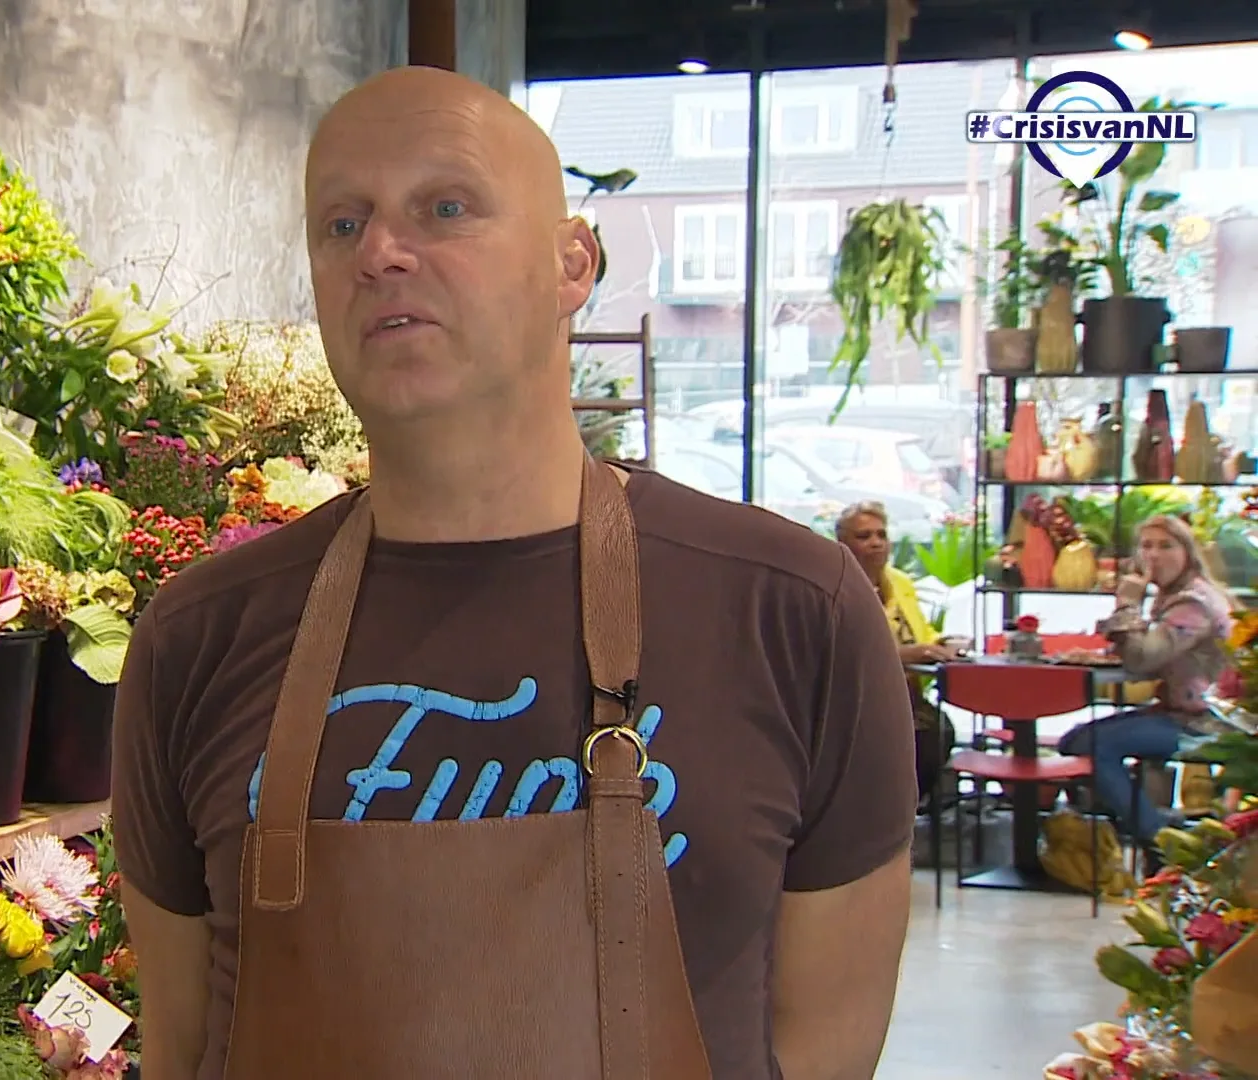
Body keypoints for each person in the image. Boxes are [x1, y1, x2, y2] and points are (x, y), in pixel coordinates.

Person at [112, 65, 916, 1080]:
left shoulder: (793, 615)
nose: (383, 254)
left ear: (573, 263)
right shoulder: (198, 639)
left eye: (444, 207)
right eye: (342, 225)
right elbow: (183, 1047)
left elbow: (823, 1051)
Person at [1058, 515, 1237, 845]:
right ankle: (1151, 830)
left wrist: (1127, 603)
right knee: (1072, 742)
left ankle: (1159, 842)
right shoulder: (1176, 594)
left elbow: (1143, 658)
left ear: (1187, 552)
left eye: (1166, 546)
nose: (1153, 555)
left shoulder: (1193, 602)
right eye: (1146, 546)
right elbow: (1149, 659)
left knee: (1093, 744)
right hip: (1178, 713)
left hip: (1207, 724)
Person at [835, 500, 963, 804]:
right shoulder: (834, 588)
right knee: (924, 740)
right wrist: (912, 654)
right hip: (855, 704)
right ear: (842, 543)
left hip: (907, 699)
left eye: (881, 534)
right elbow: (846, 654)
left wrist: (944, 643)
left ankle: (901, 815)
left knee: (939, 731)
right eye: (864, 537)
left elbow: (920, 633)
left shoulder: (900, 583)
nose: (876, 543)